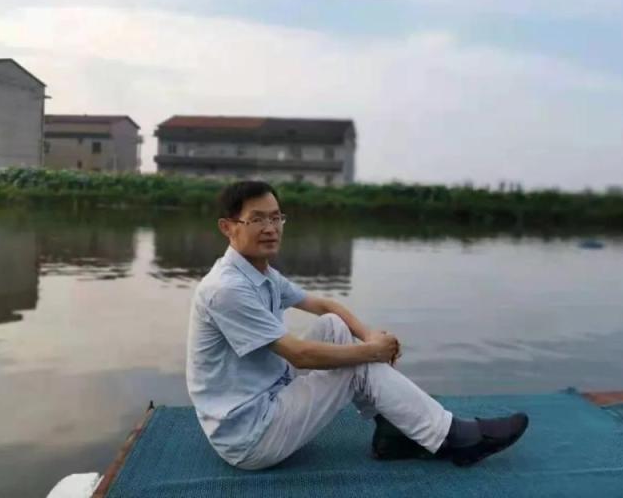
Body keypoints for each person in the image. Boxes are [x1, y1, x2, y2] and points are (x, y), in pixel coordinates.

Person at [186, 180, 529, 471]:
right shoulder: (226, 289)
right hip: (250, 435)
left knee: (334, 325)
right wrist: (372, 351)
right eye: (257, 219)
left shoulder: (261, 273)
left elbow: (325, 306)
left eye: (276, 217)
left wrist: (368, 336)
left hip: (269, 398)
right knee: (355, 365)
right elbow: (299, 355)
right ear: (228, 227)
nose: (271, 228)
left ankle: (390, 428)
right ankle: (452, 437)